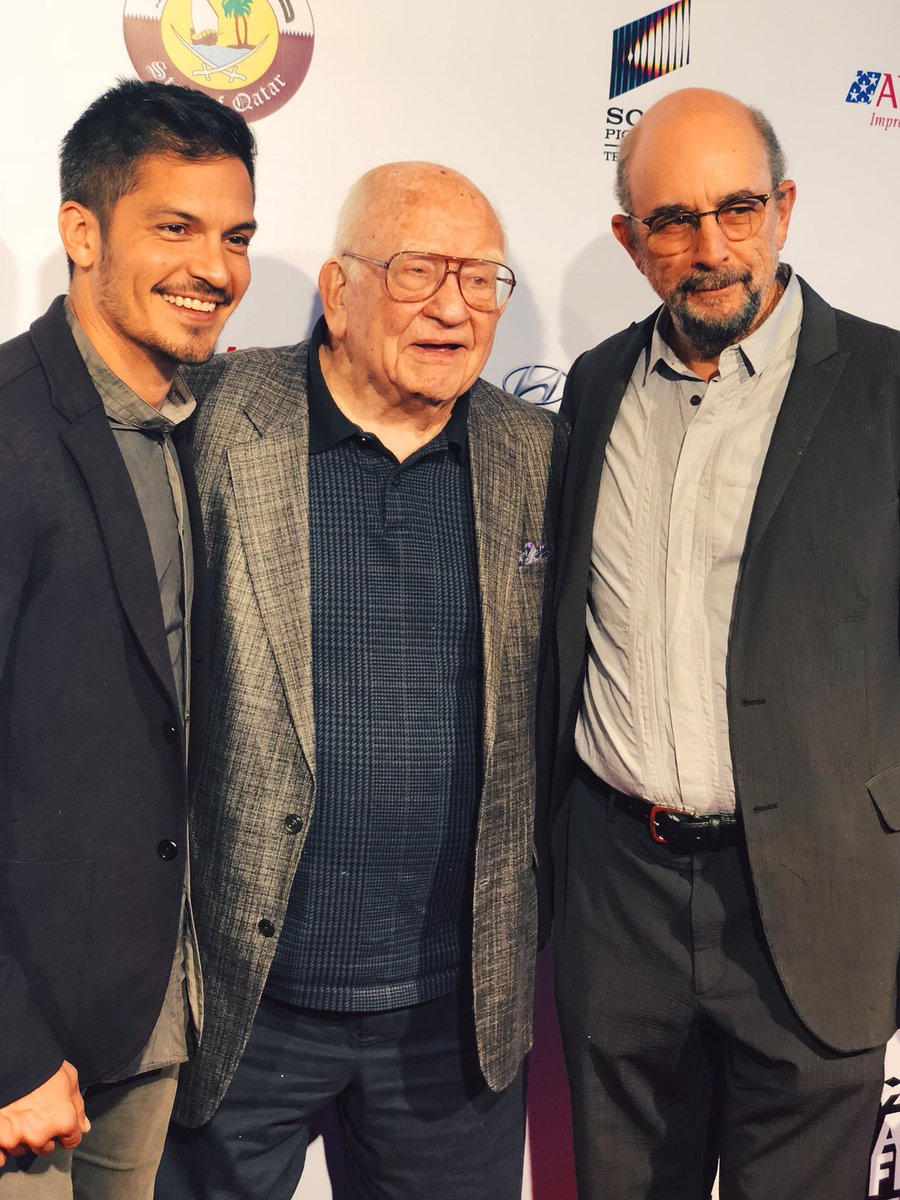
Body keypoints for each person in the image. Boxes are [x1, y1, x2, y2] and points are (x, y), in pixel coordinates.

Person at [156, 160, 566, 1200]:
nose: (453, 307)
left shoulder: (541, 457)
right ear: (338, 293)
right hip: (246, 1000)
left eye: (483, 280)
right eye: (419, 269)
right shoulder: (208, 422)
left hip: (452, 1018)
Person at [543, 87, 900, 1199]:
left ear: (785, 208)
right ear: (628, 238)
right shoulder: (595, 387)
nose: (710, 249)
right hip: (618, 901)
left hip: (817, 904)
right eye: (672, 221)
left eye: (738, 209)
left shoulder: (890, 388)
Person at [0, 80, 256, 1199]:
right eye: (177, 228)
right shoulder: (8, 429)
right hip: (27, 1052)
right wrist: (6, 1044)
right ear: (80, 232)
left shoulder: (207, 422)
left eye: (237, 235)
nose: (216, 266)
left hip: (150, 1021)